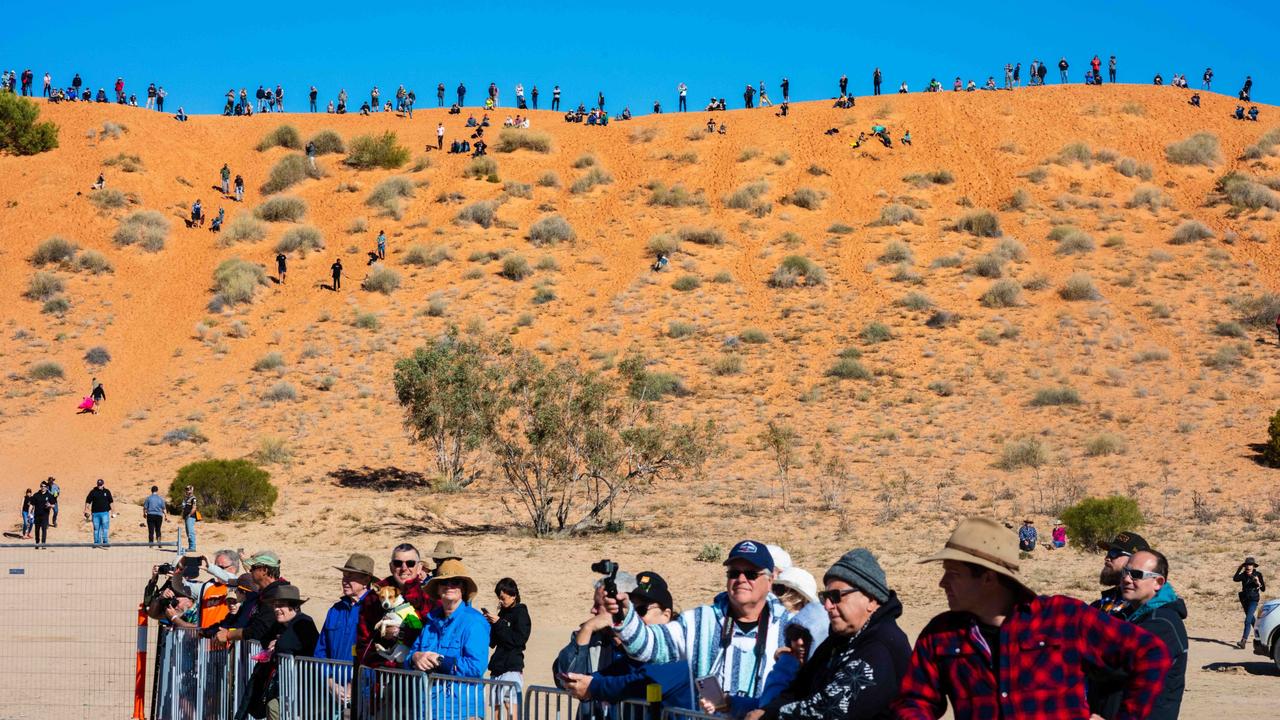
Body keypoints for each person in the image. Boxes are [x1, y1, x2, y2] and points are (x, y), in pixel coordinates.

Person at [891, 517, 1172, 720]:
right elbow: (915, 700)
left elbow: (1151, 653)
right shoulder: (940, 635)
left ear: (988, 578)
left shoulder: (1063, 619)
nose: (942, 583)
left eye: (953, 573)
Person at [606, 540, 794, 715]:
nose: (741, 579)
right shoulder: (699, 620)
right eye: (734, 573)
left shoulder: (791, 627)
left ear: (770, 581)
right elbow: (649, 646)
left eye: (751, 574)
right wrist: (625, 616)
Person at [752, 549, 909, 720]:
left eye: (835, 596)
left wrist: (770, 716)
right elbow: (798, 688)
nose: (827, 606)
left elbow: (831, 710)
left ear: (870, 599)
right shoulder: (838, 641)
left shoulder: (880, 645)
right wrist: (768, 710)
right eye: (825, 597)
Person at [559, 570, 695, 716]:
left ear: (666, 615)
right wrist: (577, 681)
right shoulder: (633, 655)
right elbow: (612, 674)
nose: (633, 617)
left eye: (640, 610)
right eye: (631, 611)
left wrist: (593, 687)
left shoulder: (681, 649)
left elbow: (644, 684)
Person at [1089, 549, 1188, 720]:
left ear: (1158, 582)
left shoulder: (1162, 624)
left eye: (1136, 575)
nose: (1126, 579)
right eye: (1125, 572)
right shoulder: (1129, 615)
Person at [406, 559, 490, 720]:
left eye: (455, 582)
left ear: (463, 589)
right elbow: (411, 655)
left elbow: (476, 667)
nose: (449, 586)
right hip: (428, 709)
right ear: (437, 588)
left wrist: (441, 661)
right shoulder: (430, 622)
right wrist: (414, 658)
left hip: (461, 711)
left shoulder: (475, 622)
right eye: (444, 581)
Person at [244, 584, 318, 720]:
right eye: (275, 605)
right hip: (283, 684)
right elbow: (264, 638)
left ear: (294, 606)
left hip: (304, 686)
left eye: (281, 605)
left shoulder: (303, 622)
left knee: (276, 708)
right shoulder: (279, 624)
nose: (277, 609)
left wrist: (277, 643)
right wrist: (273, 642)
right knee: (272, 707)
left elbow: (285, 645)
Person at [357, 543, 435, 667]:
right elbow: (364, 640)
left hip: (417, 672)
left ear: (419, 567)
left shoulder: (429, 597)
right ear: (391, 567)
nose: (404, 568)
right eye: (398, 563)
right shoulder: (374, 596)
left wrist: (402, 634)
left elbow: (434, 636)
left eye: (410, 563)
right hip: (382, 672)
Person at [216, 550, 289, 645]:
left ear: (264, 571)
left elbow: (258, 630)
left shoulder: (276, 594)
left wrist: (229, 635)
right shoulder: (266, 593)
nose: (250, 571)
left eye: (253, 568)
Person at [315, 554, 376, 662]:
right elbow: (321, 649)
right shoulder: (335, 610)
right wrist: (328, 676)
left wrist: (361, 677)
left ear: (366, 580)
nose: (344, 580)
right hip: (333, 677)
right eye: (344, 575)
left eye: (351, 576)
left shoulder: (376, 608)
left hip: (362, 677)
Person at [485, 577, 530, 716]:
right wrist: (489, 624)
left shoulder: (521, 613)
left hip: (512, 666)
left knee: (509, 705)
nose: (500, 601)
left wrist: (499, 624)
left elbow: (518, 640)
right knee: (496, 708)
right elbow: (492, 643)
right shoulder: (502, 614)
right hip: (497, 666)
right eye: (499, 597)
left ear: (513, 595)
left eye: (503, 597)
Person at [1092, 530, 1150, 616]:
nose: (1107, 558)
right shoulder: (1104, 603)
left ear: (1135, 559)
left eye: (1114, 553)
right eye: (1108, 552)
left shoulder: (1142, 608)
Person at [1234, 557, 1266, 648]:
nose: (1248, 567)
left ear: (1253, 566)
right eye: (1247, 565)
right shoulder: (1243, 575)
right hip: (1245, 600)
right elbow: (1235, 579)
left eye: (1250, 565)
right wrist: (1239, 569)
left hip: (1253, 599)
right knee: (1252, 620)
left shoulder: (1258, 574)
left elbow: (1263, 589)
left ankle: (1243, 641)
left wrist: (1258, 582)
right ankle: (1260, 638)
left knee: (1247, 620)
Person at [85, 478, 113, 546]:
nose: (99, 486)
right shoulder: (93, 492)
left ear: (103, 484)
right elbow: (88, 501)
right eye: (98, 485)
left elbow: (111, 502)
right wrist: (86, 509)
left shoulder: (107, 491)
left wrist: (113, 511)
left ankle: (105, 542)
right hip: (95, 514)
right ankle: (96, 542)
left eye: (100, 485)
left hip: (105, 513)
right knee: (96, 529)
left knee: (105, 528)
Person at [180, 485, 198, 552]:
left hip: (190, 517)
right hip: (186, 517)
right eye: (186, 489)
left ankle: (192, 547)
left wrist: (189, 514)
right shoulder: (186, 498)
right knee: (188, 532)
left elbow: (194, 508)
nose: (187, 490)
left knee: (190, 532)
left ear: (192, 490)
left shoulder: (193, 498)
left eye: (189, 489)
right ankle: (190, 546)